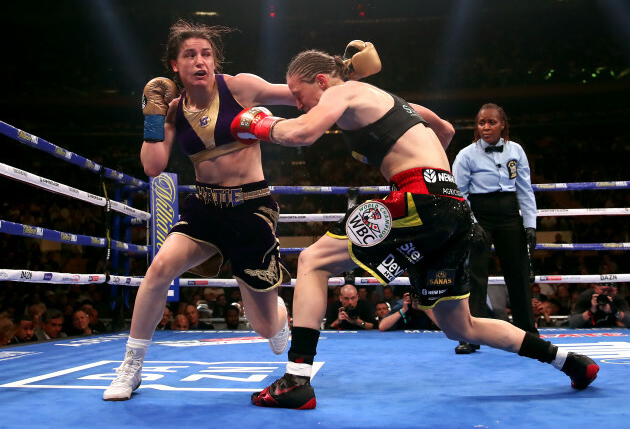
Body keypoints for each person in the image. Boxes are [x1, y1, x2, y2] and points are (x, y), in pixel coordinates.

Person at [230, 45, 600, 409]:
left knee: (313, 261)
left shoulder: (343, 91)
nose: (297, 103)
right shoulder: (388, 100)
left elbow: (300, 134)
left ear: (322, 81)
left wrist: (255, 124)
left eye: (298, 94)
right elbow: (446, 129)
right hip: (452, 206)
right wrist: (422, 165)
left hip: (418, 199)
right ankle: (570, 362)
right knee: (461, 327)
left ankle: (296, 380)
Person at [103, 20, 298, 401]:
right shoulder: (172, 111)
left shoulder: (238, 86)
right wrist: (153, 115)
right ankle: (131, 366)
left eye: (206, 53)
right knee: (158, 270)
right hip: (205, 208)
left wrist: (340, 80)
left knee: (266, 331)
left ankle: (276, 311)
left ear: (215, 60)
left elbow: (295, 95)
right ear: (175, 66)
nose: (200, 61)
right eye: (190, 55)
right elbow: (153, 166)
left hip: (250, 208)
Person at [451, 103, 539, 354]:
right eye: (481, 123)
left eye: (491, 122)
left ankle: (528, 332)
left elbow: (525, 189)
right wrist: (473, 223)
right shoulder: (466, 155)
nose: (486, 127)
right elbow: (459, 194)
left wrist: (530, 224)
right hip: (479, 212)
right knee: (476, 276)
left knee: (519, 272)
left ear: (502, 124)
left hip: (510, 213)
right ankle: (470, 335)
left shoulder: (516, 150)